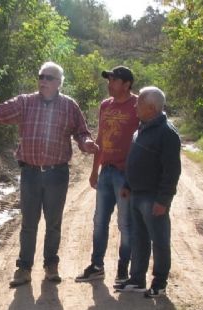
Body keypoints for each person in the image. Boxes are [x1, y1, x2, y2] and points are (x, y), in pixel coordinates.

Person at [0, 61, 99, 287]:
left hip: (57, 174)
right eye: (41, 76)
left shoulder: (70, 106)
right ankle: (24, 268)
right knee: (29, 223)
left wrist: (86, 143)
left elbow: (81, 132)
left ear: (59, 82)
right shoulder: (25, 102)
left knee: (53, 223)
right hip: (30, 173)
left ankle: (51, 265)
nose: (43, 81)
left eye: (49, 78)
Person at [113, 86, 181, 297]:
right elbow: (135, 162)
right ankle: (137, 279)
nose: (135, 106)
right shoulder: (141, 128)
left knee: (159, 241)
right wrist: (127, 185)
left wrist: (163, 200)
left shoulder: (167, 133)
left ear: (151, 108)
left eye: (139, 103)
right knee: (138, 239)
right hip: (136, 195)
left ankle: (159, 283)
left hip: (153, 198)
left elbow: (172, 171)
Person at [75, 66, 139, 284]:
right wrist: (94, 171)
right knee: (99, 220)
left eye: (114, 80)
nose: (109, 84)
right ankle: (97, 265)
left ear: (127, 84)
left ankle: (123, 269)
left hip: (125, 174)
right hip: (106, 171)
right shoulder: (105, 105)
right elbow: (101, 139)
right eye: (109, 80)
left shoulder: (138, 105)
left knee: (125, 224)